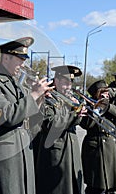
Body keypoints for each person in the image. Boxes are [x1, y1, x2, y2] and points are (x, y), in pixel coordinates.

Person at [0, 37, 53, 194]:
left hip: (22, 148)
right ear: (6, 57)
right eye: (20, 59)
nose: (23, 64)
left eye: (24, 59)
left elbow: (29, 117)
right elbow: (6, 116)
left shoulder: (17, 84)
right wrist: (33, 95)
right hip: (4, 153)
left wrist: (39, 99)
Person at [35, 65, 85, 194]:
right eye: (66, 81)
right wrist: (73, 113)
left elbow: (72, 123)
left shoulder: (67, 99)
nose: (69, 86)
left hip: (70, 151)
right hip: (54, 154)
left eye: (71, 82)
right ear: (56, 81)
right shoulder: (46, 98)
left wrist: (78, 113)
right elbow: (51, 124)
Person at [80, 80, 116, 194]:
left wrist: (108, 106)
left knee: (111, 184)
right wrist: (97, 109)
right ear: (96, 94)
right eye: (103, 92)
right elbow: (87, 124)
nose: (107, 94)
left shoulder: (109, 106)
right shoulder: (88, 107)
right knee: (96, 185)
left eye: (107, 92)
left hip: (110, 146)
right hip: (95, 147)